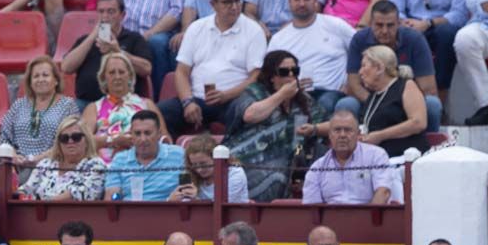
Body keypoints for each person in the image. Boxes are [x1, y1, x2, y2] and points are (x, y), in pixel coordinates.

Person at [159, 0, 265, 137]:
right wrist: (188, 102)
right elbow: (181, 72)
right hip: (197, 99)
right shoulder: (197, 28)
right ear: (213, 4)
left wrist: (226, 95)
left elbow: (256, 77)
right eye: (227, 2)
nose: (235, 7)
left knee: (245, 113)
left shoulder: (254, 31)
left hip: (234, 100)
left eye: (238, 0)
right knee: (160, 113)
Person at [225, 49, 328, 201]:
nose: (291, 76)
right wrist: (281, 95)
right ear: (272, 76)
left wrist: (314, 129)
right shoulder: (256, 91)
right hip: (247, 158)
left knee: (282, 170)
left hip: (286, 162)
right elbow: (250, 115)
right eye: (284, 71)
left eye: (295, 71)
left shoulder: (303, 99)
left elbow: (332, 123)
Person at [387, 0, 468, 111]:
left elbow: (459, 14)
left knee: (446, 34)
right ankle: (401, 101)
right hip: (411, 24)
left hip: (438, 25)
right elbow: (394, 8)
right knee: (400, 33)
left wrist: (428, 23)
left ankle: (438, 102)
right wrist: (404, 22)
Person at [344, 0, 442, 133]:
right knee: (346, 104)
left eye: (390, 25)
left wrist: (400, 105)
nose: (384, 31)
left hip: (406, 101)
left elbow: (428, 88)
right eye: (379, 25)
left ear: (399, 23)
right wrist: (379, 105)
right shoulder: (359, 39)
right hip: (369, 100)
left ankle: (432, 147)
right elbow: (354, 85)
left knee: (432, 104)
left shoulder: (415, 39)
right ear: (370, 24)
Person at [267, 0, 354, 113]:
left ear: (315, 0)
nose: (302, 3)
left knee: (323, 104)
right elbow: (269, 75)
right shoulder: (278, 39)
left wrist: (352, 83)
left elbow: (363, 51)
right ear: (289, 1)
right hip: (294, 95)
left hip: (331, 93)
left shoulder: (336, 26)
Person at [61, 0, 153, 111]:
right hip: (86, 103)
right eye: (101, 11)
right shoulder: (85, 40)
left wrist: (118, 51)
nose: (105, 16)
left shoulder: (134, 38)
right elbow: (66, 67)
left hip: (123, 102)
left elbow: (146, 69)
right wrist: (93, 36)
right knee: (65, 111)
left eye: (111, 11)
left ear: (122, 15)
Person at [112, 0, 183, 95]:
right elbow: (110, 7)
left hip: (157, 34)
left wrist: (149, 34)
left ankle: (157, 97)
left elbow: (176, 11)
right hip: (127, 36)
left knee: (156, 42)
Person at [302, 108, 400, 204]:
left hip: (369, 217)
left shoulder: (376, 156)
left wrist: (367, 219)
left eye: (348, 130)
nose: (342, 135)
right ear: (329, 135)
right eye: (337, 130)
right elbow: (312, 208)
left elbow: (383, 192)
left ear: (358, 134)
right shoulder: (318, 168)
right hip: (331, 219)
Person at [82, 51, 166, 163]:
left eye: (121, 72)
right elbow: (82, 142)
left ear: (130, 76)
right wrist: (113, 140)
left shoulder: (147, 104)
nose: (117, 77)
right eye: (112, 72)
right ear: (103, 77)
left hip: (144, 164)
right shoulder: (93, 108)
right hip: (105, 168)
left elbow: (164, 138)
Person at [0, 56, 82, 167]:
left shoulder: (67, 105)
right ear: (30, 82)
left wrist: (38, 159)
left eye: (45, 75)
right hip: (18, 166)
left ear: (56, 80)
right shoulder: (18, 105)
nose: (40, 80)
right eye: (36, 76)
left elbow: (71, 140)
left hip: (53, 165)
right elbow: (4, 138)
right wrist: (13, 155)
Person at [352, 44, 429, 158]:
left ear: (379, 68)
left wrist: (380, 136)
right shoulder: (373, 96)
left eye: (364, 66)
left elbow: (418, 123)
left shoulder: (406, 86)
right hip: (378, 160)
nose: (360, 72)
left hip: (405, 158)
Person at [19, 115, 108, 201]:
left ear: (87, 140)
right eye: (64, 138)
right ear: (59, 143)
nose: (70, 141)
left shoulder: (96, 165)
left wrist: (45, 203)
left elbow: (81, 195)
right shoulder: (46, 164)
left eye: (76, 137)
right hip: (39, 213)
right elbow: (26, 189)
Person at [103, 110, 184, 201]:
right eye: (137, 133)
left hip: (168, 212)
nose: (143, 139)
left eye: (147, 133)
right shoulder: (120, 160)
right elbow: (111, 198)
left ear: (159, 134)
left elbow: (186, 191)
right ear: (131, 135)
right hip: (129, 213)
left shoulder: (179, 155)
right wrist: (116, 197)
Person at [167, 133, 249, 202]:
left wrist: (197, 200)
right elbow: (184, 204)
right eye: (194, 164)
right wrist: (171, 201)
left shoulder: (235, 173)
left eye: (203, 164)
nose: (199, 169)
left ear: (215, 159)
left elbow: (223, 205)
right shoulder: (188, 174)